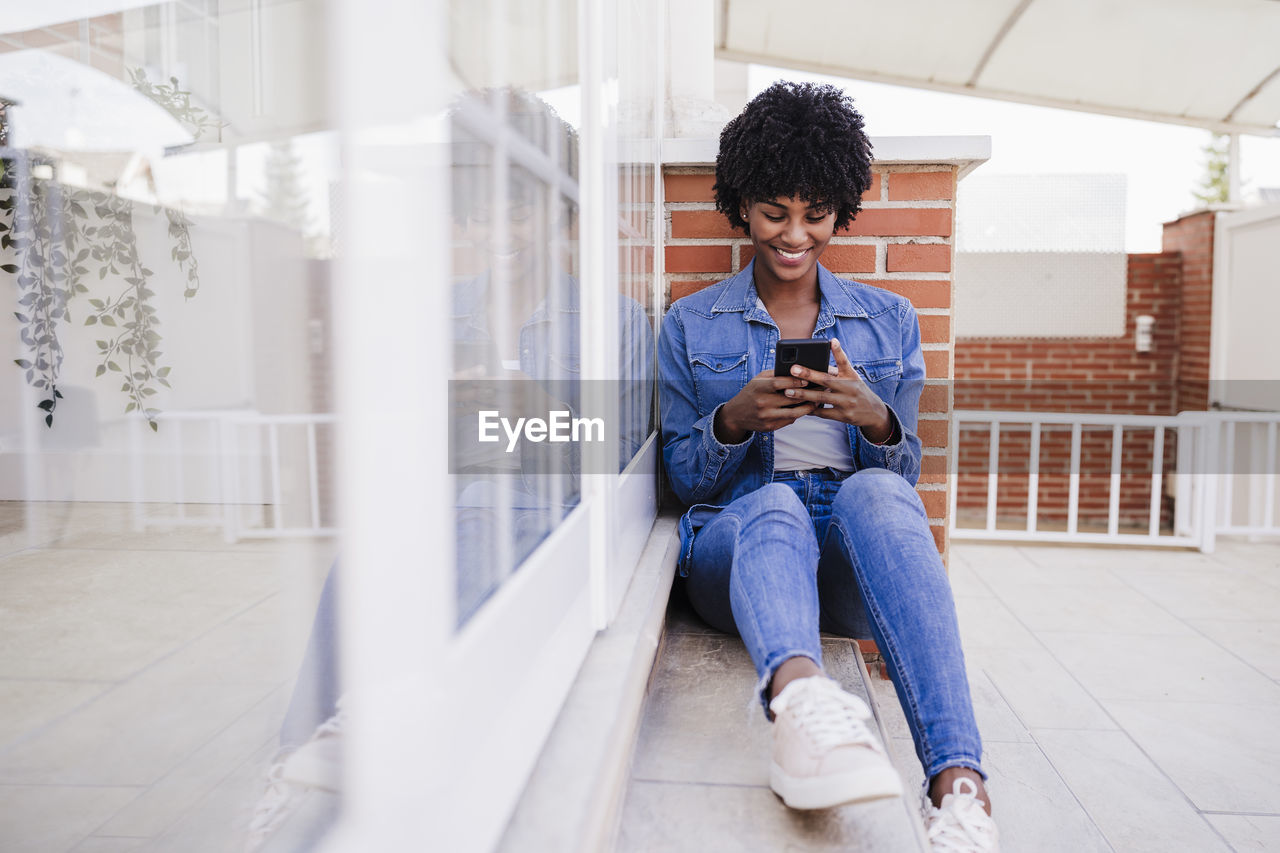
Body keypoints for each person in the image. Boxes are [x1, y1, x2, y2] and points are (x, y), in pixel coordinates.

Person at [657, 80, 999, 851]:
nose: (794, 234)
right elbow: (683, 479)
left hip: (844, 558)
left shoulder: (889, 320)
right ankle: (803, 709)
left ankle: (959, 787)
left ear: (840, 210)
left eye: (815, 214)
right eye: (775, 211)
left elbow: (903, 480)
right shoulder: (690, 322)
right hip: (739, 550)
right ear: (741, 204)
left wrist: (873, 415)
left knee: (877, 487)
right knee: (775, 504)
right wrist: (733, 420)